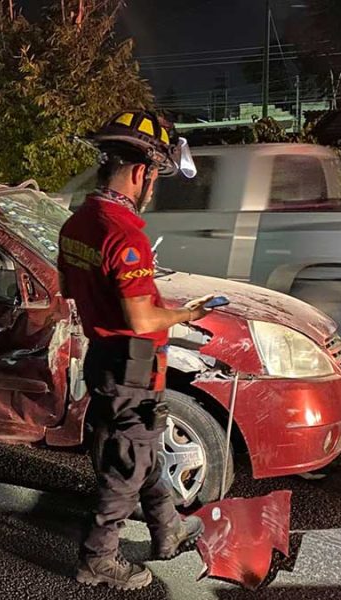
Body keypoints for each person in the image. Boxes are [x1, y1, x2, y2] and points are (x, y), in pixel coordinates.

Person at [58, 110, 217, 590]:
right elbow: (141, 319)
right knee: (126, 462)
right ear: (142, 172)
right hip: (133, 366)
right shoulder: (125, 234)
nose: (153, 189)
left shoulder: (77, 223)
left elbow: (71, 288)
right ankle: (97, 558)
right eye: (155, 178)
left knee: (140, 447)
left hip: (104, 360)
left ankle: (166, 528)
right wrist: (190, 313)